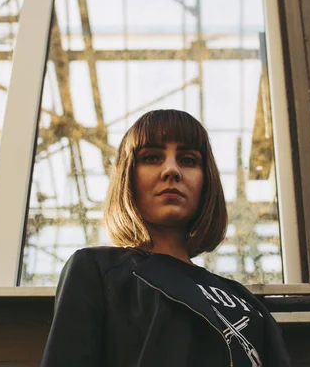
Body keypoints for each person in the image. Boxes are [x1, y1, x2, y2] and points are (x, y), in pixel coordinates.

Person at [41, 109, 291, 367]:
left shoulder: (242, 297)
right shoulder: (97, 269)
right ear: (129, 177)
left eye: (188, 160)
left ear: (206, 181)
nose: (171, 170)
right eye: (151, 158)